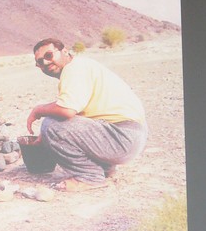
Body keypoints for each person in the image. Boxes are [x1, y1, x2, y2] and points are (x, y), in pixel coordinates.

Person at [26, 38, 147, 190]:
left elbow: (67, 110)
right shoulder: (82, 66)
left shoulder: (74, 68)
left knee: (51, 125)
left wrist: (38, 110)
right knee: (54, 124)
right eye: (40, 62)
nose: (46, 63)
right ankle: (104, 168)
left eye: (49, 55)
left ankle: (89, 177)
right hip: (130, 138)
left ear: (64, 51)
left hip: (123, 137)